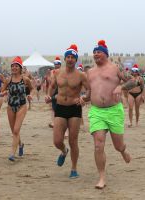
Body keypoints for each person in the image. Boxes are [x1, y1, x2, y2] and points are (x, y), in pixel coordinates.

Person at [86, 40, 131, 189]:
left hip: (114, 111)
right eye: (94, 52)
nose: (95, 54)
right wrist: (84, 98)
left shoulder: (115, 68)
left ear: (105, 54)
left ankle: (123, 150)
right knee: (98, 145)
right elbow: (89, 91)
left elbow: (135, 82)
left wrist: (121, 86)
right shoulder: (90, 72)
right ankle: (102, 177)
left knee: (118, 145)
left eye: (98, 52)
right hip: (96, 111)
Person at [45, 44, 89, 178]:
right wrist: (48, 95)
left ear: (76, 60)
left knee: (73, 140)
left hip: (74, 109)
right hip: (60, 108)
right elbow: (52, 86)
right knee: (57, 141)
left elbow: (89, 91)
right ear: (65, 59)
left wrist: (83, 98)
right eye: (68, 57)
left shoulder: (81, 75)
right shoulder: (57, 73)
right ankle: (64, 151)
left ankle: (74, 169)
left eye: (72, 57)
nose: (70, 59)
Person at [0, 57, 33, 161]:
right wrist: (4, 93)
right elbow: (2, 91)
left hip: (22, 106)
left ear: (20, 68)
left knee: (16, 130)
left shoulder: (25, 79)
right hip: (10, 107)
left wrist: (30, 95)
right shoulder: (8, 80)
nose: (14, 68)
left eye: (16, 66)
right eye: (13, 66)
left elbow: (32, 89)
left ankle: (12, 154)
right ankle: (21, 144)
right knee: (14, 131)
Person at [47, 56, 62, 128]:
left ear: (60, 64)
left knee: (60, 106)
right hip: (53, 89)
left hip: (60, 89)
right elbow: (50, 81)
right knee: (53, 107)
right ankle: (53, 122)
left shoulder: (62, 71)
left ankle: (58, 122)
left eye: (58, 64)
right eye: (55, 64)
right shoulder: (52, 72)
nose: (56, 65)